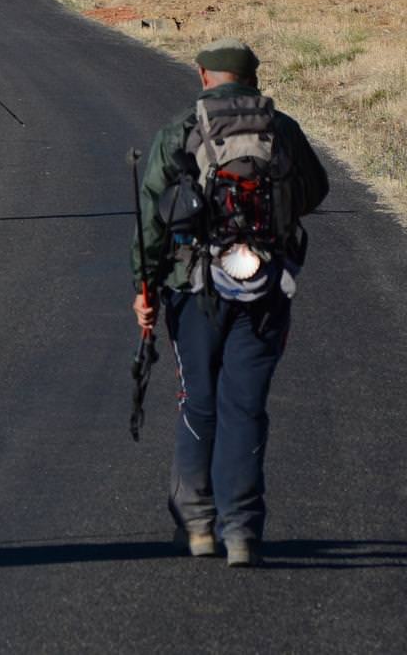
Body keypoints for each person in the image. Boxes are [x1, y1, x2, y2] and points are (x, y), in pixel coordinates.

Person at [132, 42, 329, 570]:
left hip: (195, 289)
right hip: (265, 288)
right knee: (245, 407)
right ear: (252, 78)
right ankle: (241, 532)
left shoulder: (182, 129)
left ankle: (197, 526)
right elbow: (315, 190)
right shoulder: (280, 128)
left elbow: (153, 216)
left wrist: (145, 289)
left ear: (203, 75)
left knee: (198, 402)